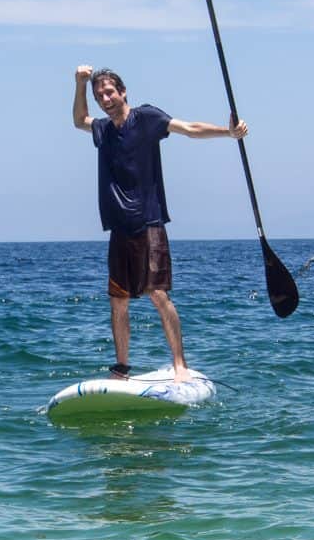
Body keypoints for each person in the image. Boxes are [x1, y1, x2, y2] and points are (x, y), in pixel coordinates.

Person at [73, 65, 247, 382]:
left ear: (123, 92)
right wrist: (80, 84)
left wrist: (227, 132)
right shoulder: (103, 130)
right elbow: (78, 120)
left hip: (149, 222)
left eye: (109, 92)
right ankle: (122, 368)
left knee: (158, 295)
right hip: (119, 228)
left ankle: (179, 363)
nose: (105, 99)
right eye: (100, 95)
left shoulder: (147, 118)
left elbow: (189, 128)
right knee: (118, 300)